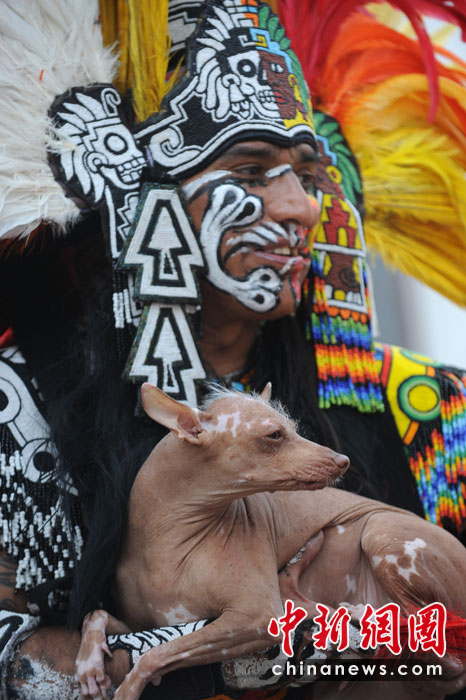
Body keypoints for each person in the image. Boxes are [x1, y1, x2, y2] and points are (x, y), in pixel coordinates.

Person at [0, 0, 466, 699]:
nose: (300, 207)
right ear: (147, 201)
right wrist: (264, 646)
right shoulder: (16, 412)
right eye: (250, 171)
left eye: (307, 173)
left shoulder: (435, 409)